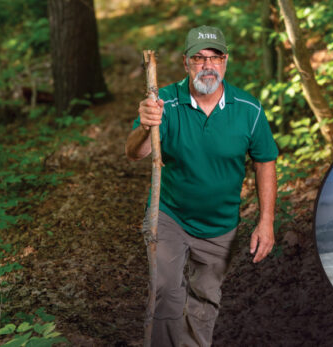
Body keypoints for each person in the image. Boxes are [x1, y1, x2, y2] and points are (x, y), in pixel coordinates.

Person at [124, 25, 279, 346]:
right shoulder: (164, 101)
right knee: (166, 292)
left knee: (205, 300)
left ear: (225, 62)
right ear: (185, 63)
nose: (208, 65)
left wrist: (266, 222)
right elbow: (134, 153)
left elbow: (265, 161)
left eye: (215, 57)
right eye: (198, 58)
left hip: (221, 225)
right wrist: (146, 126)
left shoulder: (249, 109)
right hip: (170, 216)